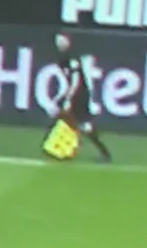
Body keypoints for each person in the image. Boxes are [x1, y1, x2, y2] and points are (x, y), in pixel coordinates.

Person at [45, 30, 114, 161]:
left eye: (62, 40)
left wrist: (69, 98)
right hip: (76, 93)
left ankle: (65, 147)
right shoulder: (64, 59)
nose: (59, 43)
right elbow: (70, 80)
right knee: (79, 123)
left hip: (79, 95)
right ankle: (66, 147)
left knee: (73, 120)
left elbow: (76, 80)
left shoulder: (72, 59)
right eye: (58, 41)